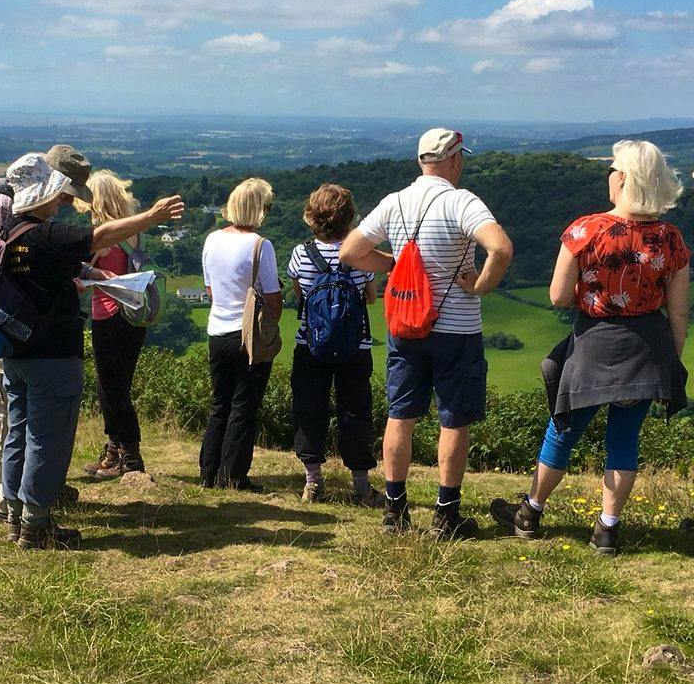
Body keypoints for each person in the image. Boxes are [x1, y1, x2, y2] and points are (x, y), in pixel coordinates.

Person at [491, 140, 689, 556]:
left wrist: (594, 289)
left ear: (624, 179)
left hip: (593, 344)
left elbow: (558, 297)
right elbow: (678, 313)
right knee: (624, 440)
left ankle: (530, 513)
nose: (609, 175)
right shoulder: (670, 239)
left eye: (613, 169)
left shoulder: (585, 230)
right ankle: (607, 530)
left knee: (563, 430)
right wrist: (671, 361)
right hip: (647, 348)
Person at [0, 152, 184, 549]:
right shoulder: (47, 235)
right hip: (53, 355)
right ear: (42, 194)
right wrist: (152, 216)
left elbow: (68, 268)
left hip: (16, 350)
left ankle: (15, 517)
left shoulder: (8, 235)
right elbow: (98, 238)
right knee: (47, 440)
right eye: (57, 193)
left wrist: (92, 273)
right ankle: (36, 525)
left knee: (18, 434)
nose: (62, 200)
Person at [340, 129, 513, 537]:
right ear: (453, 159)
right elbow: (501, 248)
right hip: (457, 328)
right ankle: (446, 515)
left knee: (400, 415)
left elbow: (350, 252)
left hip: (405, 324)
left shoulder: (394, 202)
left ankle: (395, 511)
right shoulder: (462, 201)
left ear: (421, 161)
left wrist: (395, 263)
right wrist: (481, 286)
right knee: (453, 419)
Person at [287, 184, 383, 506]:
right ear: (349, 217)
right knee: (355, 411)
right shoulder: (360, 255)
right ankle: (361, 486)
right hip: (355, 346)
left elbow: (301, 298)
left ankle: (312, 481)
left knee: (309, 408)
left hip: (310, 344)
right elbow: (371, 297)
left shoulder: (301, 253)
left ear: (312, 217)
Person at [199, 178, 282, 491]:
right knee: (244, 405)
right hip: (248, 336)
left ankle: (208, 472)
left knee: (220, 403)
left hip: (217, 330)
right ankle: (233, 475)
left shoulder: (212, 239)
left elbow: (210, 288)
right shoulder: (261, 245)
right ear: (260, 209)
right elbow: (272, 297)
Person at [75, 169, 148, 480]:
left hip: (108, 314)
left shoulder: (102, 235)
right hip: (134, 314)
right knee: (120, 385)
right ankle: (115, 450)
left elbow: (81, 277)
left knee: (110, 387)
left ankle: (129, 455)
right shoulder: (133, 232)